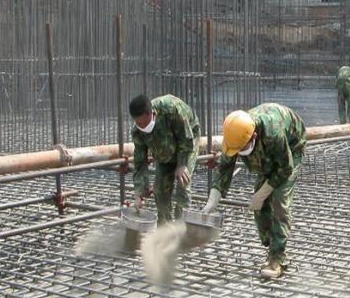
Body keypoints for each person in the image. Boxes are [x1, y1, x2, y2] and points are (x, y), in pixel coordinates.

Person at [202, 103, 306, 279]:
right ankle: (270, 242)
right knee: (259, 206)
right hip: (267, 150)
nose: (240, 152)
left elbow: (285, 168)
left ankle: (277, 258)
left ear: (254, 136)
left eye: (243, 148)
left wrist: (264, 191)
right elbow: (225, 168)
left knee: (279, 201)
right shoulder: (235, 135)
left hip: (291, 147)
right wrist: (213, 200)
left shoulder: (273, 133)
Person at [130, 94, 200, 224]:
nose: (143, 127)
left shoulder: (171, 109)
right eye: (138, 123)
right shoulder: (137, 132)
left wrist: (182, 165)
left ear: (151, 113)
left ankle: (182, 228)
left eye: (145, 123)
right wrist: (139, 191)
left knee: (183, 184)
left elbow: (186, 138)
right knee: (160, 190)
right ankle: (164, 230)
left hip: (188, 140)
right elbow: (140, 162)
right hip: (163, 149)